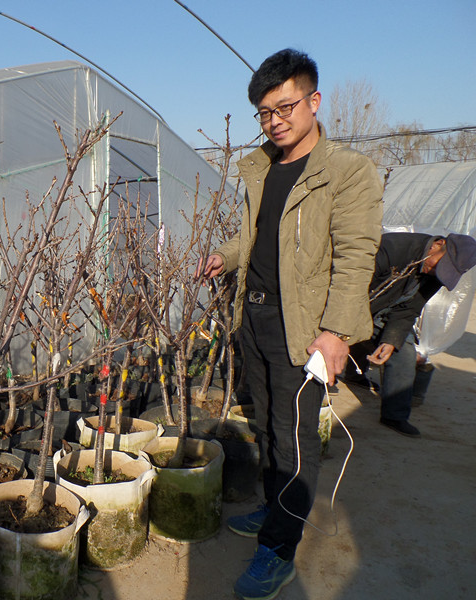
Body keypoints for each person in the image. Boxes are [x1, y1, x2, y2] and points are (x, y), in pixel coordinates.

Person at [198, 49, 383, 600]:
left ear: (313, 101)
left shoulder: (346, 171)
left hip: (301, 326)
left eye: (284, 107)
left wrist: (337, 332)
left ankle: (278, 549)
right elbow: (257, 236)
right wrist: (227, 256)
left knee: (294, 436)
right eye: (264, 112)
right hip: (253, 316)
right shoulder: (263, 168)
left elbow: (355, 256)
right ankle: (273, 507)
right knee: (264, 425)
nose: (274, 121)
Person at [350, 232, 476, 437]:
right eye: (438, 266)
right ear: (437, 244)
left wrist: (391, 340)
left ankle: (394, 415)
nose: (435, 272)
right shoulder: (392, 248)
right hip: (355, 302)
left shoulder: (436, 274)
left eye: (443, 272)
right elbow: (352, 289)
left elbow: (409, 309)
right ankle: (348, 372)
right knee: (353, 333)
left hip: (386, 311)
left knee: (404, 350)